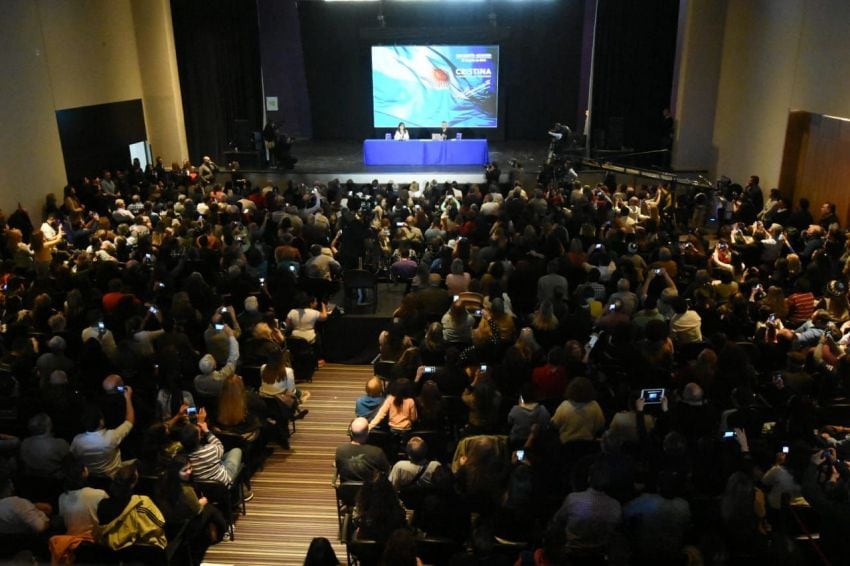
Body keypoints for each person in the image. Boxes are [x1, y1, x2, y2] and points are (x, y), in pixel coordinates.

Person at [70, 387, 135, 478]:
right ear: (101, 421)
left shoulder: (77, 441)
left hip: (91, 478)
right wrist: (128, 398)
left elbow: (73, 457)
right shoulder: (112, 436)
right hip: (113, 477)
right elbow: (129, 421)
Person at [335, 417, 390, 482]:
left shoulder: (340, 450)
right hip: (369, 491)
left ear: (351, 433)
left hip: (346, 491)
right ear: (367, 433)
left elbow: (338, 466)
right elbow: (387, 472)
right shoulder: (377, 452)